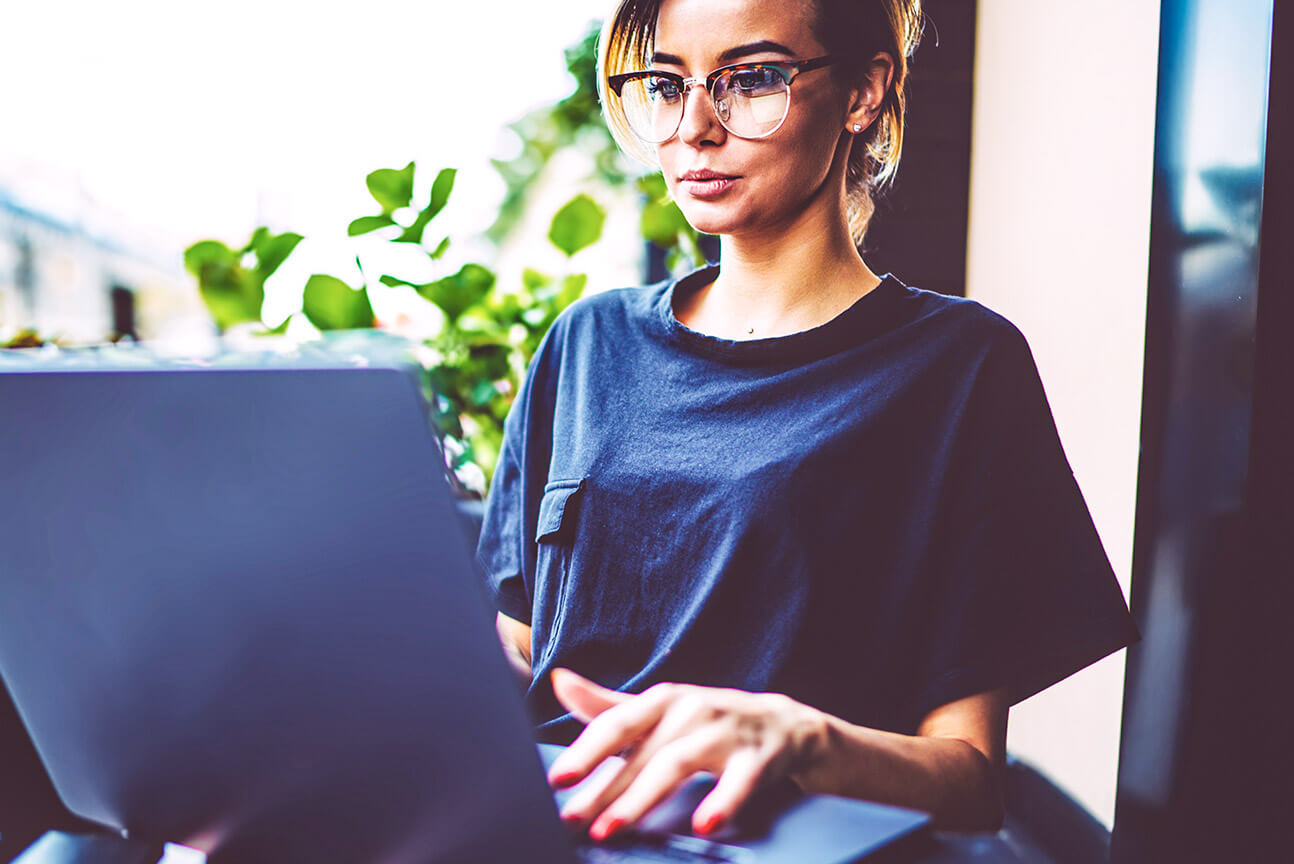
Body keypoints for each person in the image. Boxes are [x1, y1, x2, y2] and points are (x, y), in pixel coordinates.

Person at [477, 0, 1139, 844]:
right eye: (666, 84)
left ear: (865, 90)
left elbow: (972, 784)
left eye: (752, 79)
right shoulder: (585, 344)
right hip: (553, 829)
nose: (695, 128)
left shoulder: (957, 367)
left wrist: (799, 738)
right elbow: (519, 657)